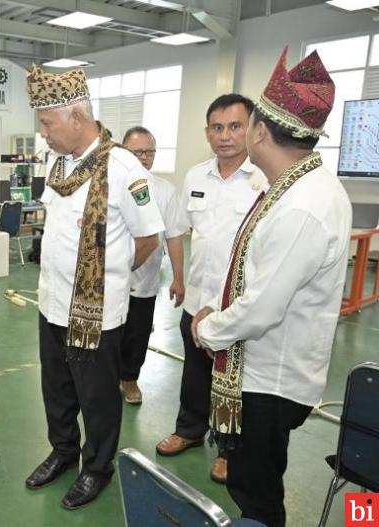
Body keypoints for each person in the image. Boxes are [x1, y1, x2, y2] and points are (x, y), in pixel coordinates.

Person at [193, 48, 348, 527]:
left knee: (255, 491)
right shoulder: (295, 186)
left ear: (260, 130)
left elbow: (262, 309)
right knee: (252, 481)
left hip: (270, 380)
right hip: (263, 369)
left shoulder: (302, 205)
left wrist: (208, 328)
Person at [23, 64, 164, 510]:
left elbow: (148, 238)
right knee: (57, 389)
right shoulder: (58, 162)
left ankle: (97, 468)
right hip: (51, 303)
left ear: (76, 118)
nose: (42, 133)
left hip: (96, 313)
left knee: (98, 399)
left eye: (47, 123)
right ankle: (63, 452)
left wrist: (106, 279)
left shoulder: (123, 167)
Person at [155, 94, 268, 485]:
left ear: (253, 129)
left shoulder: (263, 180)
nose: (225, 136)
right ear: (207, 132)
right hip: (200, 298)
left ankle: (227, 448)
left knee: (234, 379)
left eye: (235, 126)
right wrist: (182, 280)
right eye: (217, 128)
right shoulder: (195, 177)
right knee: (196, 371)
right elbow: (185, 234)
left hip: (239, 306)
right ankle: (189, 429)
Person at [119, 126, 187, 404]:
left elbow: (173, 236)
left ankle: (130, 379)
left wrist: (178, 278)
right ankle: (105, 379)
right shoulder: (109, 186)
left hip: (144, 282)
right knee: (107, 335)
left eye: (149, 152)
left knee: (137, 334)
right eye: (138, 152)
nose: (144, 158)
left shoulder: (164, 191)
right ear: (123, 152)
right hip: (110, 282)